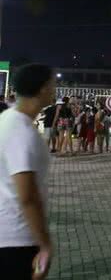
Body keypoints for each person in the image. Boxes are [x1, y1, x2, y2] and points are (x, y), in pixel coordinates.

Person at [0, 64, 56, 280]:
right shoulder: (20, 130)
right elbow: (27, 196)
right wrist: (45, 244)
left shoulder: (8, 119)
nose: (55, 90)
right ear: (43, 89)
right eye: (53, 84)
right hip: (16, 240)